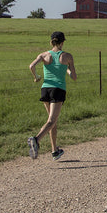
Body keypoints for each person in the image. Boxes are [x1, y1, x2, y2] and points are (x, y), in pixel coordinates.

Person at [28, 31, 76, 160]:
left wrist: (37, 77)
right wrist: (66, 69)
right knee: (51, 121)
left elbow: (31, 66)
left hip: (45, 89)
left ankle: (55, 151)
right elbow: (74, 77)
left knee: (52, 121)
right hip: (58, 89)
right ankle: (36, 140)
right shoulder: (67, 56)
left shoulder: (44, 55)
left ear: (51, 42)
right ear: (62, 42)